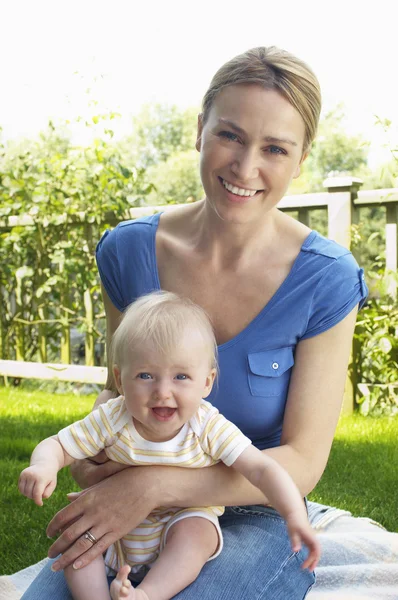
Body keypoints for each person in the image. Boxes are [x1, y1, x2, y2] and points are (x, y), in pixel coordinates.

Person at [21, 45, 368, 600]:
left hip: (254, 507)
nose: (245, 167)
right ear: (199, 129)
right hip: (132, 504)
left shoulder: (325, 280)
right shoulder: (129, 252)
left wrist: (153, 485)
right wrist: (91, 462)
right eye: (230, 135)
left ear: (301, 158)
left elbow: (302, 462)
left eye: (275, 148)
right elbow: (118, 390)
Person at [19, 292, 320, 600]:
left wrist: (294, 513)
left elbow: (261, 469)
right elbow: (58, 444)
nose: (163, 392)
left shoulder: (206, 426)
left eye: (181, 376)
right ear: (120, 380)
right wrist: (44, 464)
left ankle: (147, 594)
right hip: (115, 528)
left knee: (197, 532)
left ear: (207, 382)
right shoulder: (112, 418)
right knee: (78, 544)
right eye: (146, 375)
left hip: (177, 522)